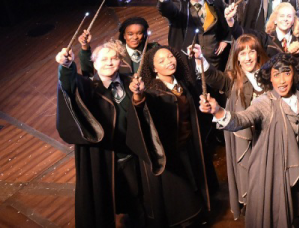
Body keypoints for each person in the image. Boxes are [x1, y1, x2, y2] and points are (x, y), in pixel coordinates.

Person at [203, 52, 299, 228]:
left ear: (294, 75)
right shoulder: (265, 102)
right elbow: (241, 119)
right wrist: (218, 111)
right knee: (275, 216)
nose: (282, 81)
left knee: (294, 212)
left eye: (286, 73)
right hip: (271, 169)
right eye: (276, 75)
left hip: (296, 167)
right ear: (270, 79)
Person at [56, 40, 163, 228]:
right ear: (94, 63)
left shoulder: (131, 82)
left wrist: (140, 96)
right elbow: (69, 86)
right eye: (104, 59)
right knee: (104, 199)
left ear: (120, 62)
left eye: (114, 58)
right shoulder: (89, 87)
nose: (109, 62)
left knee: (137, 197)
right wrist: (66, 66)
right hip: (103, 157)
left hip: (130, 155)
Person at [138, 45, 213, 226]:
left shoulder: (182, 84)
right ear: (154, 68)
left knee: (194, 183)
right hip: (171, 151)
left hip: (188, 144)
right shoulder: (153, 92)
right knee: (179, 193)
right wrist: (138, 97)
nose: (169, 62)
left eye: (170, 57)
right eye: (161, 61)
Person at [221, 34, 270, 220]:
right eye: (242, 53)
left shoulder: (269, 74)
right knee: (252, 182)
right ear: (237, 58)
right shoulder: (234, 81)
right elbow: (215, 78)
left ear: (258, 54)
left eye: (252, 52)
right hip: (249, 141)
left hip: (268, 137)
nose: (248, 57)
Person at [156, 0, 238, 66]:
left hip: (215, 62)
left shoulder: (215, 0)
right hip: (188, 63)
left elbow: (229, 18)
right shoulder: (178, 4)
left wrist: (226, 39)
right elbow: (166, 9)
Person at [76, 16, 159, 76]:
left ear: (144, 35)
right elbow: (89, 72)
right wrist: (85, 47)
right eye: (130, 34)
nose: (135, 37)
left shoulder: (154, 49)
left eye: (139, 33)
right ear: (124, 36)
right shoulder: (114, 53)